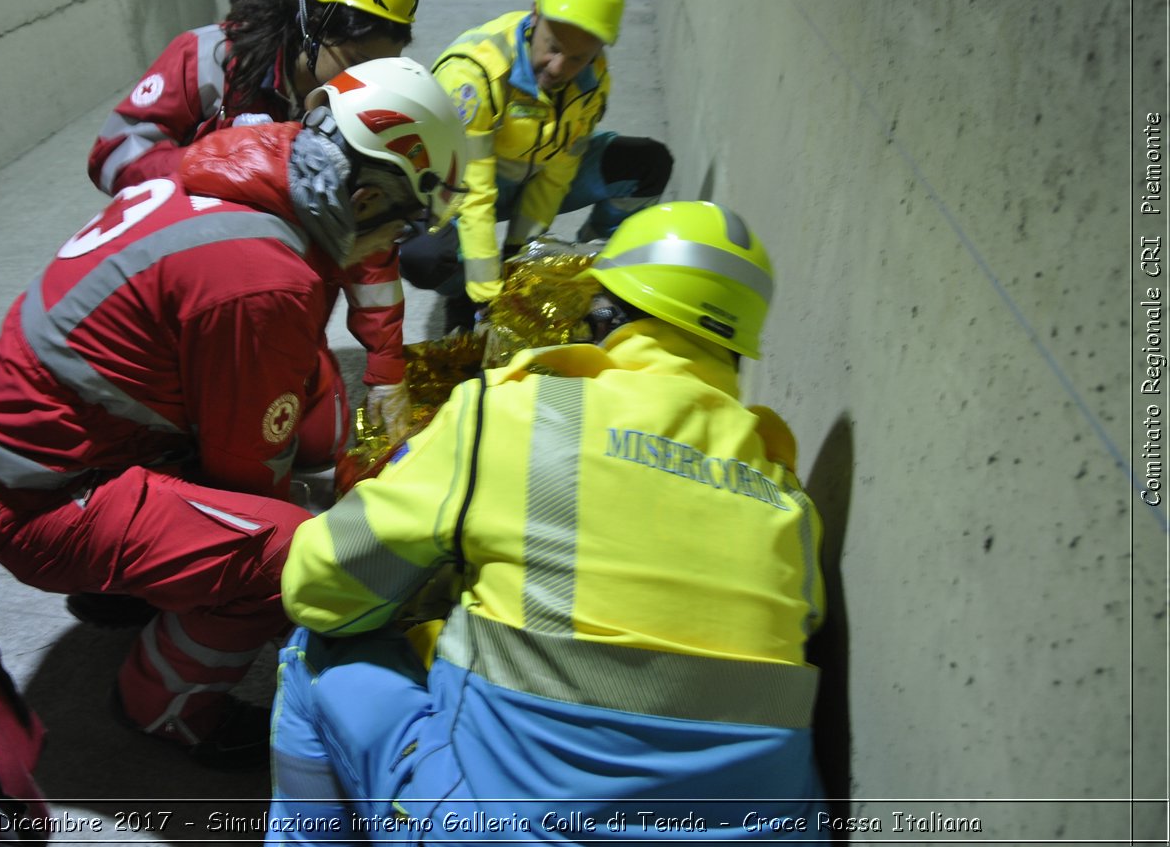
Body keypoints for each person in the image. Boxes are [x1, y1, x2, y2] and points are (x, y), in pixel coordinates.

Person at [0, 58, 465, 769]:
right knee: (290, 550)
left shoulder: (245, 167)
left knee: (314, 388)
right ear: (365, 190)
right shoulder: (263, 278)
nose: (392, 246)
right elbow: (248, 477)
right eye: (402, 221)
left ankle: (140, 578)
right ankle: (166, 706)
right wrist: (349, 567)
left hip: (50, 446)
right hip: (36, 501)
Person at [269, 201, 828, 842]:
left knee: (315, 652)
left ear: (605, 313)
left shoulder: (516, 413)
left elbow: (317, 587)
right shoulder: (789, 500)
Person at [88, 0, 423, 439]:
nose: (363, 84)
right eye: (354, 62)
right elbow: (113, 155)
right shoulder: (213, 58)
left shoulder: (363, 107)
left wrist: (385, 371)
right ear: (310, 25)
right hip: (192, 292)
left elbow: (371, 241)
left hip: (279, 307)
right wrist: (225, 169)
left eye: (381, 68)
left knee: (319, 440)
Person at [400, 0, 675, 332]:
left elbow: (559, 172)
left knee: (647, 163)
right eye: (553, 47)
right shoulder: (472, 75)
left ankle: (589, 272)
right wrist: (487, 292)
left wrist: (521, 257)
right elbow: (474, 192)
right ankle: (462, 293)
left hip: (534, 173)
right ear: (535, 14)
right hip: (457, 186)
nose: (559, 68)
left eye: (578, 57)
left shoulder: (593, 78)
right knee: (422, 255)